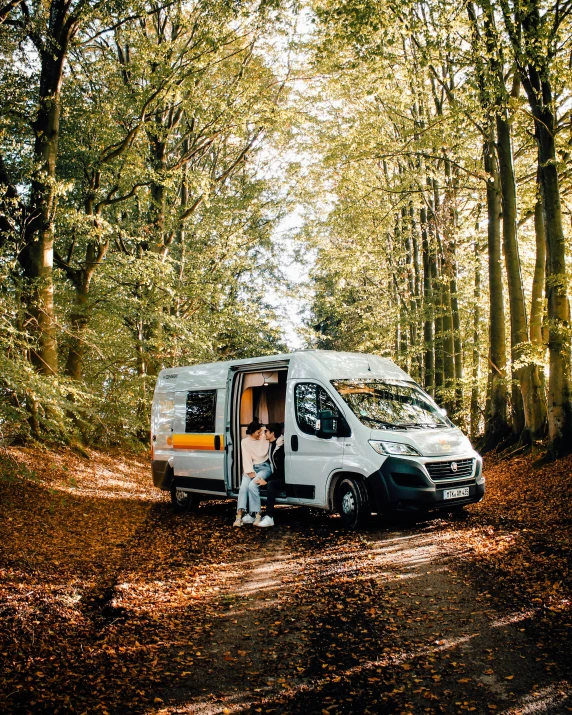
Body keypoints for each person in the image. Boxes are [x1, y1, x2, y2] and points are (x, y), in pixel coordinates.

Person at [234, 419, 271, 527]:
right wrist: (249, 471)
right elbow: (246, 458)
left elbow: (272, 432)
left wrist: (261, 428)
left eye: (261, 431)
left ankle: (257, 515)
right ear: (252, 432)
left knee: (252, 485)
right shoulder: (244, 442)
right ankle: (239, 516)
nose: (260, 434)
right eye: (258, 432)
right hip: (251, 468)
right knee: (243, 487)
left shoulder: (263, 436)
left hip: (264, 467)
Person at [255, 422, 285, 528]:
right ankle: (253, 514)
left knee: (271, 484)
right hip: (276, 475)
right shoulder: (273, 444)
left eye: (266, 431)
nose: (264, 433)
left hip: (284, 478)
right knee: (254, 482)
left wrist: (267, 481)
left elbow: (281, 470)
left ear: (272, 433)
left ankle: (269, 517)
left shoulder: (281, 447)